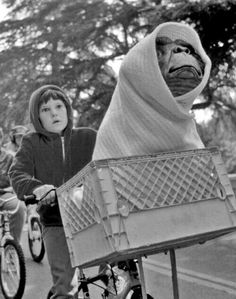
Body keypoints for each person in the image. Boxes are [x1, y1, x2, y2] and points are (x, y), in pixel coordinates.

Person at [9, 84, 97, 299]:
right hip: (56, 219)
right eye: (45, 109)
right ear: (37, 116)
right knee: (65, 288)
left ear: (67, 109)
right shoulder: (31, 142)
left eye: (59, 106)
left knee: (116, 274)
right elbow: (17, 173)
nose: (54, 112)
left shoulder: (88, 137)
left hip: (95, 217)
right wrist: (37, 188)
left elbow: (110, 160)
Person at [92, 21, 212, 160]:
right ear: (138, 74)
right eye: (159, 53)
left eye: (189, 50)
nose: (182, 50)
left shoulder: (187, 132)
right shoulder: (113, 135)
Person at [0, 127, 26, 243]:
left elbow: (16, 180)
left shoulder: (9, 157)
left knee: (19, 207)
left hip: (4, 195)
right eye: (18, 136)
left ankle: (13, 246)